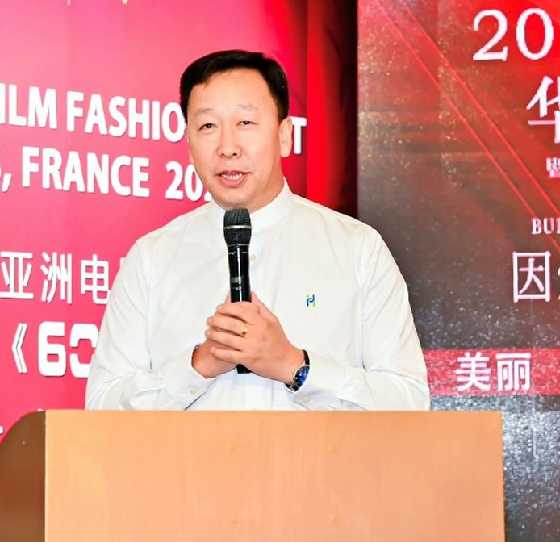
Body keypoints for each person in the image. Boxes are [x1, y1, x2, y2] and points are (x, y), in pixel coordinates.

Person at [85, 50, 429, 410]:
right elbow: (101, 409)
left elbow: (408, 403)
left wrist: (295, 367)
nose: (227, 148)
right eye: (207, 126)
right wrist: (198, 366)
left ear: (284, 135)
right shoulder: (152, 259)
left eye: (245, 123)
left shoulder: (357, 249)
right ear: (188, 143)